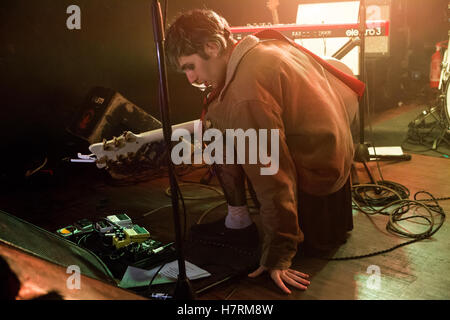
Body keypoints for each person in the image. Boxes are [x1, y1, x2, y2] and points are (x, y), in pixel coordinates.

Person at [165, 9, 362, 294]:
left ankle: (257, 225)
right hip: (336, 176)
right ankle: (238, 218)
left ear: (212, 46)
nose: (191, 78)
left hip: (315, 192)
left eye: (190, 66)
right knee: (216, 125)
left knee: (226, 126)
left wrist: (278, 255)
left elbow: (273, 179)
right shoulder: (265, 47)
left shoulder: (246, 95)